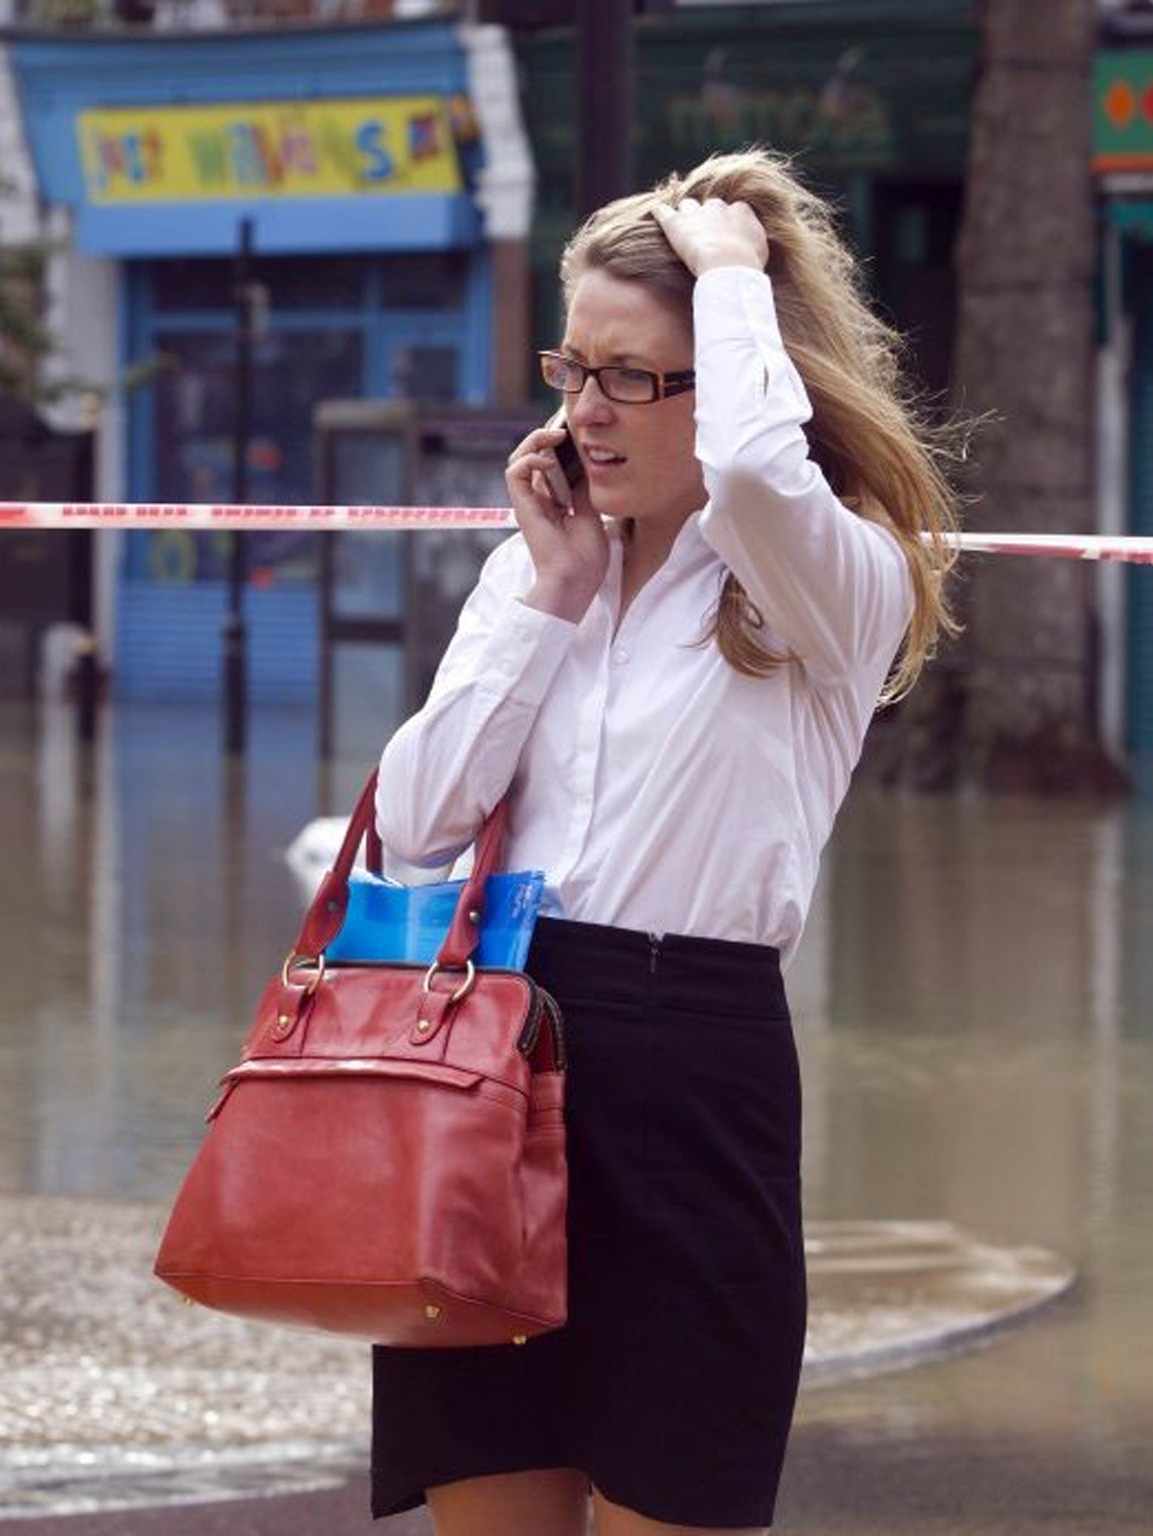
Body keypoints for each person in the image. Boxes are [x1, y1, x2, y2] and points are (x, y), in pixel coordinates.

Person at [367, 148, 961, 1535]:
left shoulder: (833, 575)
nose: (589, 412)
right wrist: (551, 599)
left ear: (751, 364)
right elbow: (412, 823)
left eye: (634, 376)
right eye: (573, 370)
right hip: (491, 1064)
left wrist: (745, 273)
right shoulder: (538, 563)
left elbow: (757, 470)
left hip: (694, 1074)